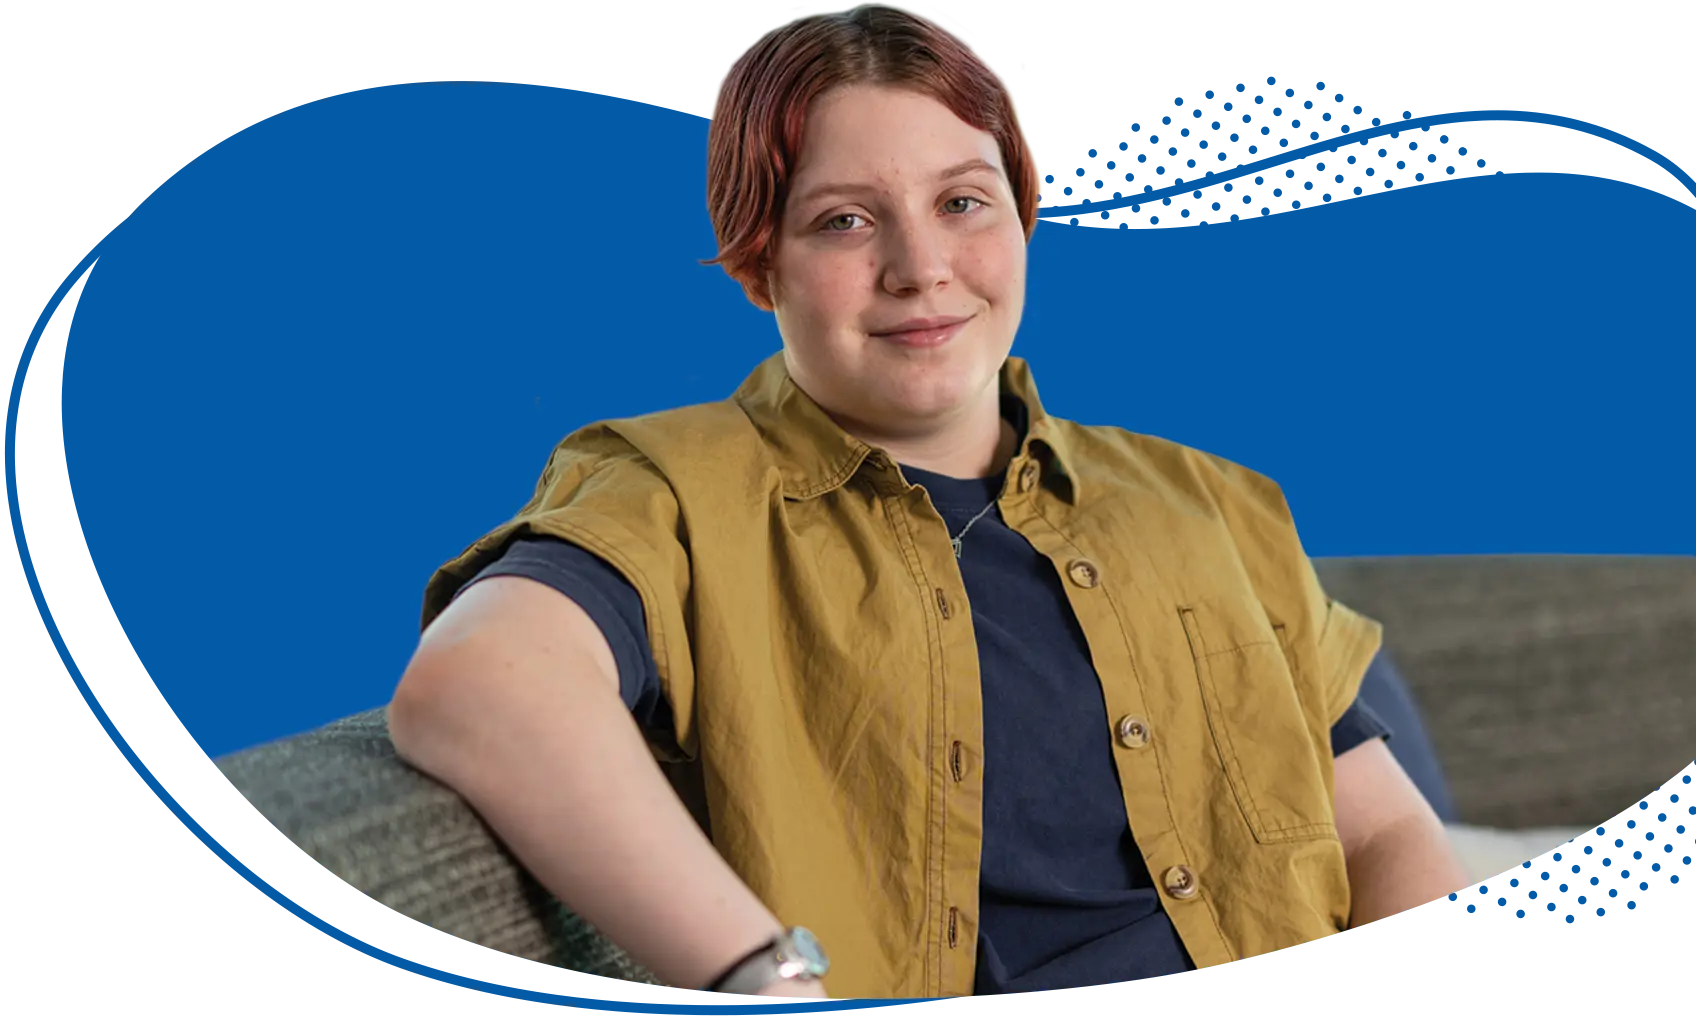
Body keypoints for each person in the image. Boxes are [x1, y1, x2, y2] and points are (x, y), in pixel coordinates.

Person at [386, 1, 1471, 1001]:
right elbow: (479, 683)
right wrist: (765, 977)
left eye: (962, 202)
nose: (921, 266)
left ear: (1023, 215)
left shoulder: (1207, 500)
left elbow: (1381, 834)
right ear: (761, 261)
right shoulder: (672, 487)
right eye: (845, 222)